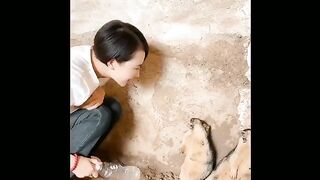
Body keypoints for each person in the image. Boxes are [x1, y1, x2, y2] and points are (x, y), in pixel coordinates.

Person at [70, 20, 149, 179]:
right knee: (100, 116)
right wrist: (74, 163)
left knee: (112, 108)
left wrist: (97, 91)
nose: (138, 75)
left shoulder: (94, 58)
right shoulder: (74, 78)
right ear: (112, 63)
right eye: (136, 67)